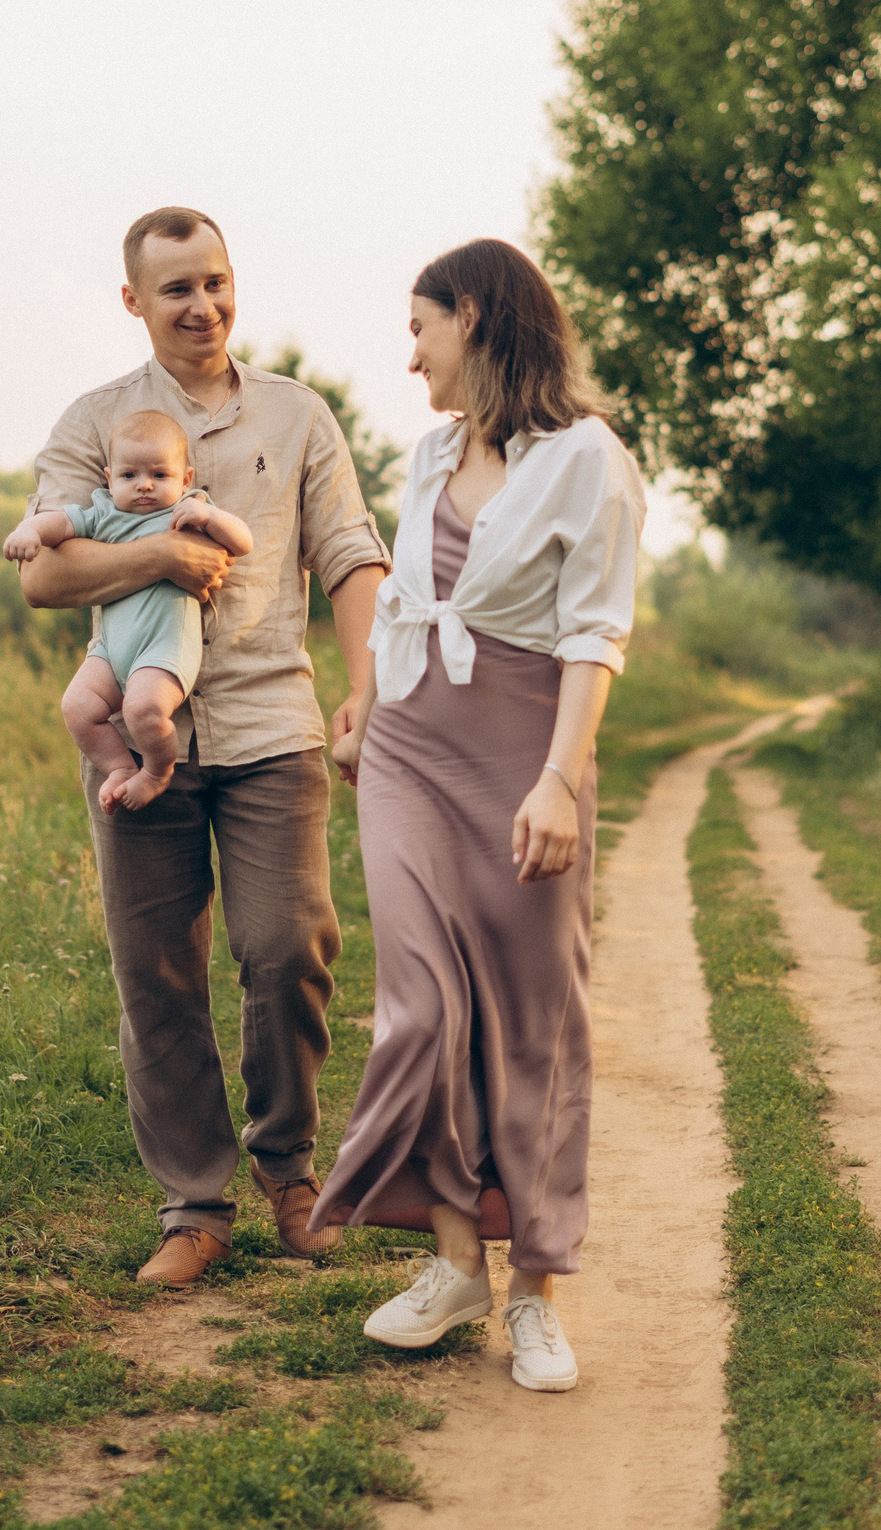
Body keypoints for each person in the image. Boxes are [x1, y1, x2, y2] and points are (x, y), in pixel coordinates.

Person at [18, 206, 390, 1288]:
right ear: (135, 301)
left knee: (288, 945)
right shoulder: (96, 424)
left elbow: (352, 556)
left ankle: (292, 1172)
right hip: (146, 733)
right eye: (176, 287)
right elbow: (43, 575)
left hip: (273, 721)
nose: (203, 305)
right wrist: (162, 561)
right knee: (158, 975)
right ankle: (194, 1206)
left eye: (216, 281)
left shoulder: (298, 414)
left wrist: (364, 688)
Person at [313, 237, 645, 1394]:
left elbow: (593, 629)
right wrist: (359, 707)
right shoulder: (423, 456)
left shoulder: (588, 458)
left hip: (522, 752)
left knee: (532, 1018)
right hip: (406, 744)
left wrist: (558, 778)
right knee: (419, 1004)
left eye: (421, 329)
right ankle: (454, 1258)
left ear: (478, 320)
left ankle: (534, 1292)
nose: (409, 357)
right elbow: (406, 599)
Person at [4, 409, 255, 812]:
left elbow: (243, 542)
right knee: (78, 707)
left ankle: (157, 772)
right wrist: (29, 531)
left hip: (163, 647)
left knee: (144, 709)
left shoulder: (187, 509)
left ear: (185, 479)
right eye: (129, 476)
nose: (144, 486)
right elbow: (60, 522)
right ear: (108, 478)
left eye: (159, 475)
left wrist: (211, 516)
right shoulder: (103, 513)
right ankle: (120, 768)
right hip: (110, 650)